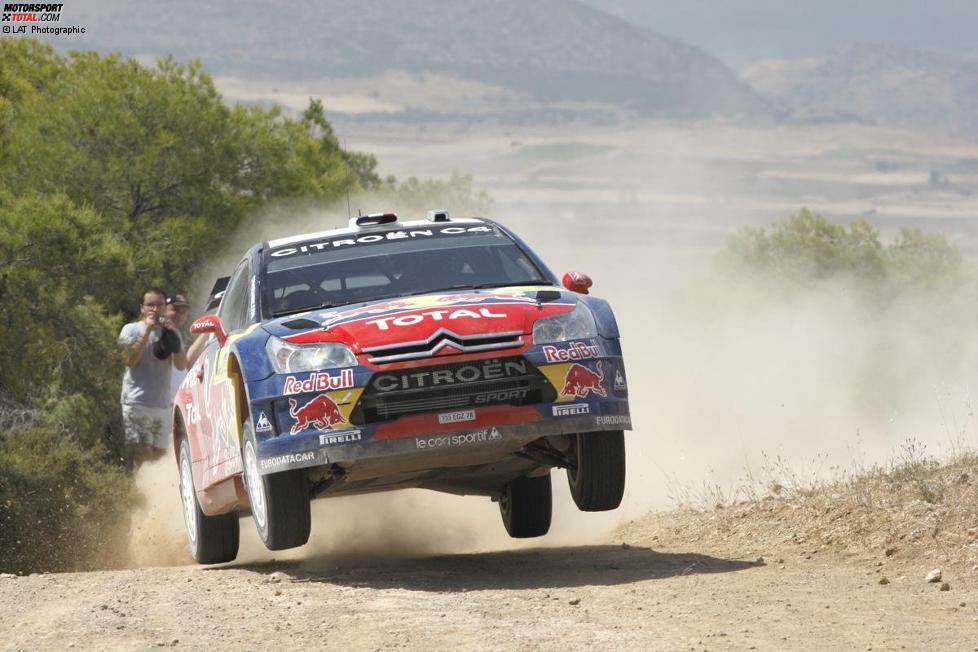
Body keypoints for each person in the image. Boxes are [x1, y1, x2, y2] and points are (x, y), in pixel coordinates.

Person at [119, 287, 189, 467]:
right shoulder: (130, 330)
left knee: (159, 458)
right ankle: (140, 493)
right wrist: (148, 330)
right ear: (142, 308)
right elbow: (129, 360)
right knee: (143, 456)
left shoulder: (170, 332)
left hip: (162, 404)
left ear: (165, 308)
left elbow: (181, 365)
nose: (155, 309)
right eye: (150, 305)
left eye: (159, 304)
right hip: (137, 403)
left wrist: (173, 336)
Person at [166, 292, 210, 399]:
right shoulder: (161, 332)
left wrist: (208, 330)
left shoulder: (175, 333)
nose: (179, 315)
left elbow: (185, 364)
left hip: (175, 402)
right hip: (159, 403)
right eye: (175, 310)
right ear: (164, 308)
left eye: (183, 312)